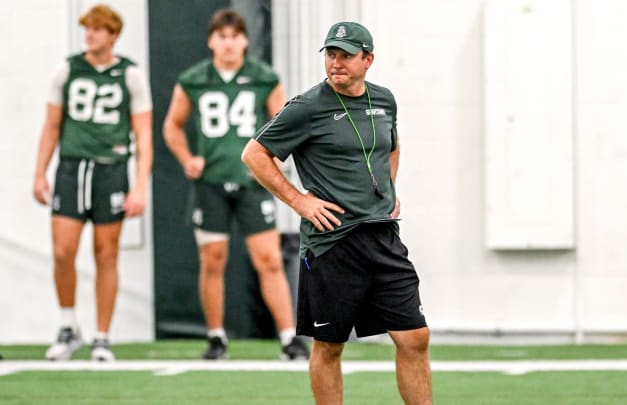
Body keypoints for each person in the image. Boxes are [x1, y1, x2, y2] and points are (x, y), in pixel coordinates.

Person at [242, 21, 432, 404]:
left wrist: (388, 186)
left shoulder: (384, 100)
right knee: (329, 347)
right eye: (331, 54)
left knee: (414, 336)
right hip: (332, 244)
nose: (336, 62)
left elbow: (391, 145)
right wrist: (300, 201)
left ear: (368, 60)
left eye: (346, 55)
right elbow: (254, 155)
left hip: (382, 237)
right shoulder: (307, 107)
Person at [163, 9, 308, 361]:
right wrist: (187, 159)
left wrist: (272, 164)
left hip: (251, 183)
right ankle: (216, 337)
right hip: (210, 182)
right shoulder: (194, 79)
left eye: (234, 36)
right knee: (212, 259)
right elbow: (172, 126)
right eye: (221, 36)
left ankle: (289, 337)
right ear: (211, 41)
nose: (228, 43)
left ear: (245, 40)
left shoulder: (263, 77)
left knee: (269, 259)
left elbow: (283, 124)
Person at [33, 4, 153, 361]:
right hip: (72, 168)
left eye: (98, 29)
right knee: (63, 251)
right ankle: (68, 324)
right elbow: (51, 125)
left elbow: (143, 134)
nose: (91, 34)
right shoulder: (67, 69)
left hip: (110, 169)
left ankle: (102, 335)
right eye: (87, 28)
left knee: (106, 253)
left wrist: (140, 186)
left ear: (113, 34)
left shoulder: (129, 75)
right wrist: (40, 171)